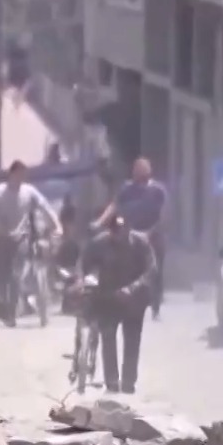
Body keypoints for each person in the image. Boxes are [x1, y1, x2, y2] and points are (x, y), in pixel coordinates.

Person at [80, 212, 157, 393]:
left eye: (122, 230)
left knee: (132, 340)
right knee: (108, 337)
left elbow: (151, 270)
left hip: (134, 300)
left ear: (129, 229)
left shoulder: (141, 243)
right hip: (107, 298)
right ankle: (112, 381)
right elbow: (86, 266)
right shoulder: (98, 244)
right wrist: (91, 279)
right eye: (114, 231)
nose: (118, 235)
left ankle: (129, 381)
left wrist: (132, 288)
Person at [97, 158, 170, 319]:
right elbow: (114, 206)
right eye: (136, 170)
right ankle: (128, 303)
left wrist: (150, 233)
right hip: (131, 237)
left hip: (154, 236)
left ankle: (155, 308)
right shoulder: (126, 189)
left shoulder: (158, 190)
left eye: (142, 170)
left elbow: (164, 216)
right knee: (128, 269)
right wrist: (100, 222)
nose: (138, 173)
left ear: (148, 171)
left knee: (155, 272)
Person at [0, 160, 59, 326]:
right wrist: (0, 227)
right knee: (1, 277)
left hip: (21, 239)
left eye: (23, 175)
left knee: (16, 275)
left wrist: (56, 225)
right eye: (19, 174)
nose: (21, 178)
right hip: (3, 239)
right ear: (11, 174)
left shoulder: (29, 191)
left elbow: (45, 207)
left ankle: (11, 313)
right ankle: (4, 304)